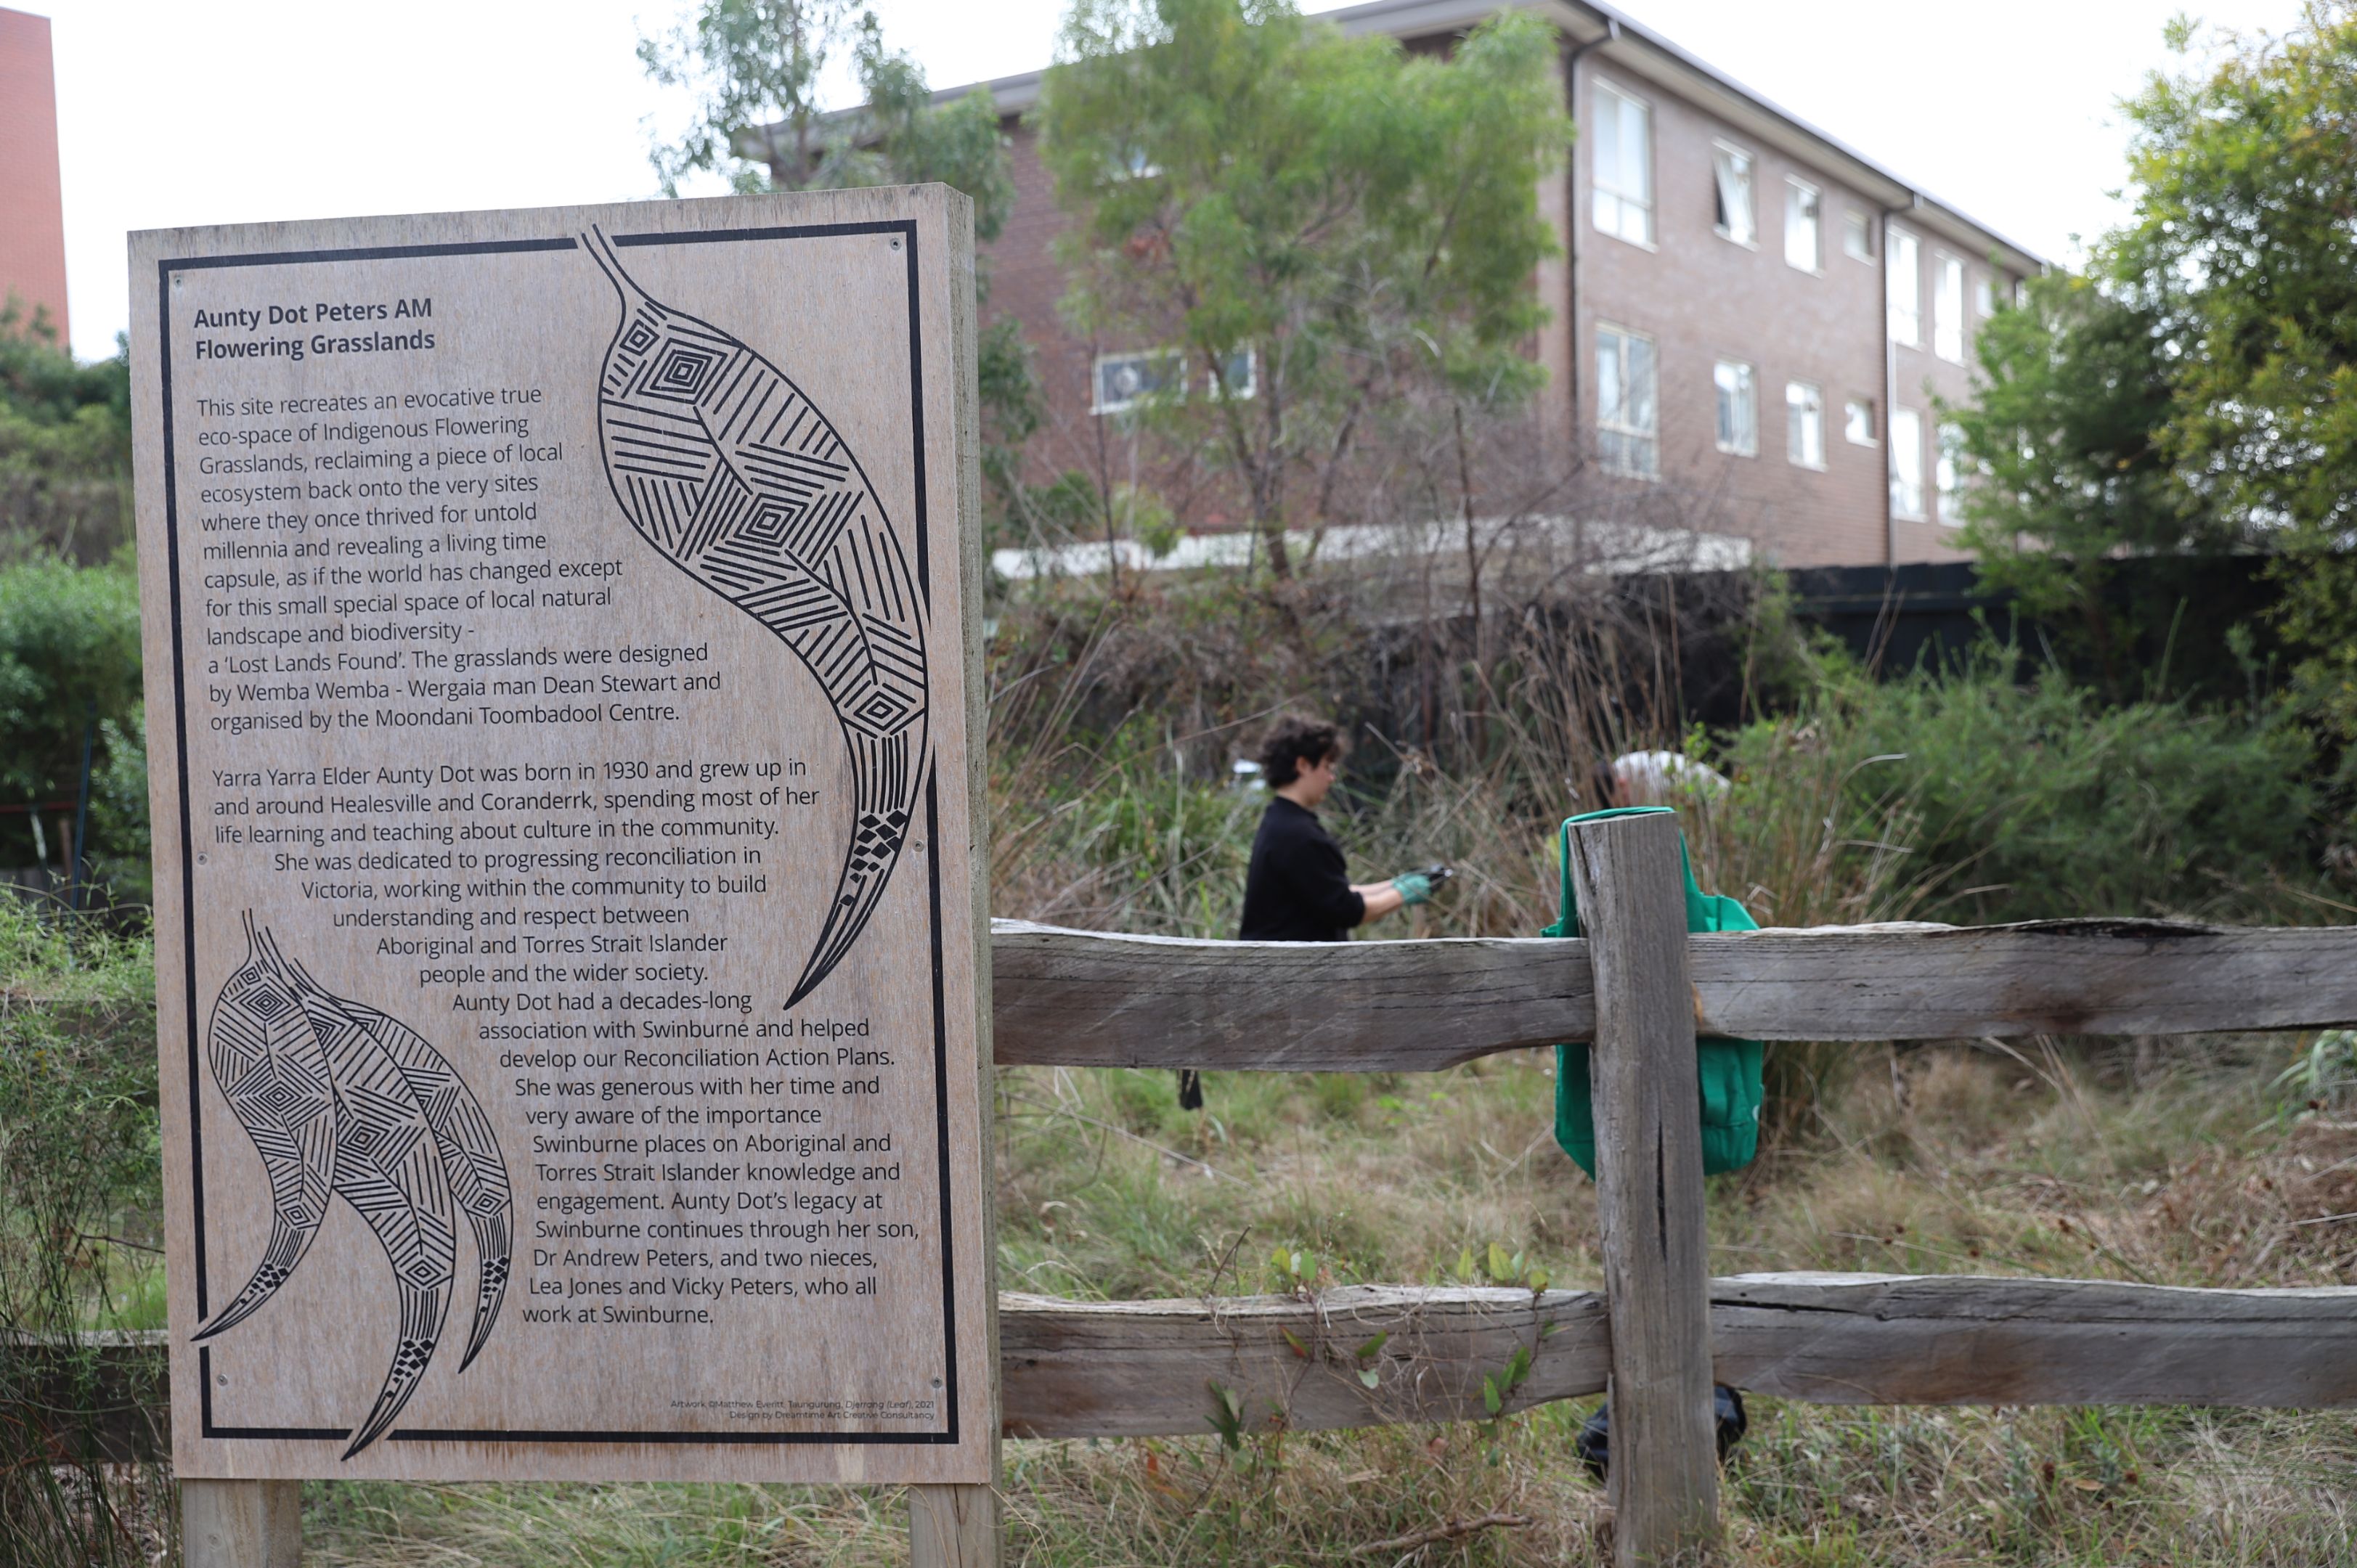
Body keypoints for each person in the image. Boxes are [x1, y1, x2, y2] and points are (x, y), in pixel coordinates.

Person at [1178, 716, 1436, 1109]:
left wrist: (1396, 883)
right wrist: (1406, 894)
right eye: (1328, 767)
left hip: (1277, 973)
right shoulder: (1299, 836)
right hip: (1286, 985)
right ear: (1303, 765)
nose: (1332, 778)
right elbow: (1347, 910)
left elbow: (1329, 895)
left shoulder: (1280, 823)